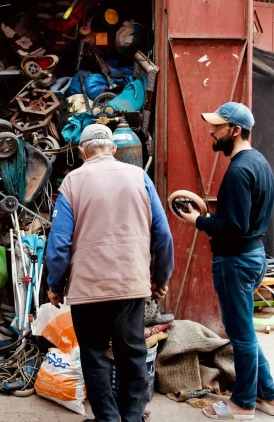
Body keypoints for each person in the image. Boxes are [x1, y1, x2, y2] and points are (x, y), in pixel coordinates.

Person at [46, 124, 174, 422]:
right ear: (113, 149)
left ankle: (107, 419)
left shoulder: (71, 183)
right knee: (133, 355)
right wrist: (160, 279)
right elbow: (163, 235)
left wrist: (55, 285)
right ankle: (131, 418)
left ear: (81, 152)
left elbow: (59, 244)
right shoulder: (139, 177)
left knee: (94, 357)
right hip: (131, 284)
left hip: (87, 289)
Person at [179, 102, 274, 420]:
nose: (211, 131)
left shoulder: (238, 170)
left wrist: (198, 221)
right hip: (253, 254)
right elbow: (243, 221)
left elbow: (234, 227)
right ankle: (269, 395)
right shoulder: (259, 162)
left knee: (241, 335)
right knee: (246, 330)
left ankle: (243, 403)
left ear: (235, 130)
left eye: (217, 126)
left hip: (236, 260)